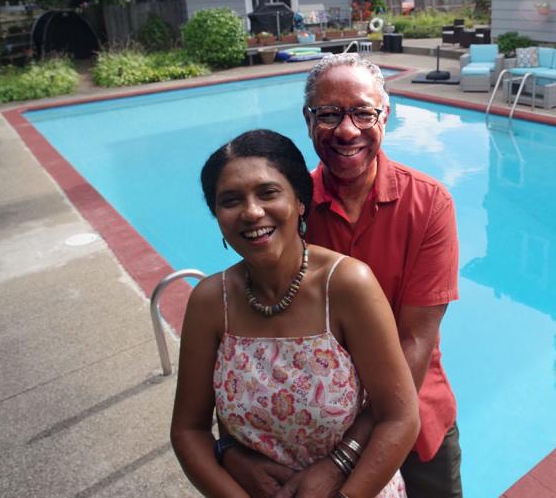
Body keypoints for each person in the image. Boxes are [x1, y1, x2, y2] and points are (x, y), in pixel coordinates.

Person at [220, 54, 462, 498]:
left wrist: (346, 456)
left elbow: (415, 342)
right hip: (316, 425)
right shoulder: (288, 208)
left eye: (363, 112)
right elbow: (255, 324)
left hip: (416, 420)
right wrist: (229, 448)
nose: (347, 130)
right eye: (329, 114)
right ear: (308, 120)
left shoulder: (429, 205)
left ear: (385, 115)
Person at [170, 129, 420, 498]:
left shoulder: (347, 286)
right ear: (218, 216)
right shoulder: (210, 302)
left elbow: (399, 417)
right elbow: (188, 430)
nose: (252, 212)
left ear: (300, 201)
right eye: (231, 200)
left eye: (268, 193)